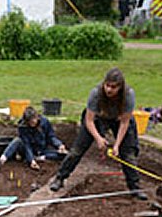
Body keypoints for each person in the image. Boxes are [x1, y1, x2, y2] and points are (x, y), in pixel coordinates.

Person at [49, 67, 146, 199]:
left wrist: (116, 145)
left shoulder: (128, 95)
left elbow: (124, 122)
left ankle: (134, 187)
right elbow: (89, 121)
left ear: (120, 87)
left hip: (119, 120)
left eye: (113, 87)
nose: (109, 90)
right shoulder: (96, 93)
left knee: (128, 154)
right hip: (97, 118)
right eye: (107, 85)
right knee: (77, 150)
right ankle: (60, 178)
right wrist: (99, 138)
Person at [0, 106, 67, 173]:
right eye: (30, 122)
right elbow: (26, 145)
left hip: (42, 149)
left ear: (37, 117)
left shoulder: (45, 122)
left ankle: (40, 157)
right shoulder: (22, 127)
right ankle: (0, 161)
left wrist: (59, 145)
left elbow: (51, 136)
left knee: (63, 155)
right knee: (17, 140)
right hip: (27, 150)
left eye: (33, 121)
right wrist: (31, 160)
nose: (32, 124)